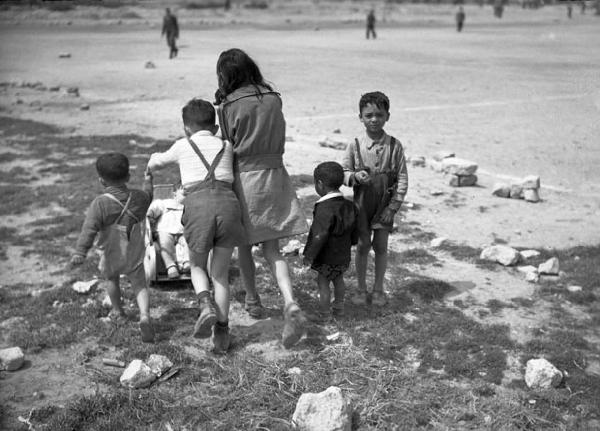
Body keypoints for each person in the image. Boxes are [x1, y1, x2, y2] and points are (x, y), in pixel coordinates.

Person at [214, 48, 308, 349]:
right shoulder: (273, 97)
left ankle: (253, 301)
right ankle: (290, 301)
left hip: (246, 177)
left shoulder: (228, 105)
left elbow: (228, 145)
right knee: (273, 249)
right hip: (276, 174)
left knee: (244, 245)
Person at [147, 98, 246, 354]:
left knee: (197, 266)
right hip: (228, 206)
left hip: (198, 207)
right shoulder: (227, 145)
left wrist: (150, 163)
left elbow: (158, 161)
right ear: (214, 127)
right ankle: (222, 333)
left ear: (186, 128)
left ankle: (204, 304)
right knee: (221, 275)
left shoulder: (183, 145)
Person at [70, 153, 154, 343]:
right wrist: (148, 181)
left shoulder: (100, 204)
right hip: (134, 250)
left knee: (111, 279)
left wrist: (80, 252)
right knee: (139, 283)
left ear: (101, 180)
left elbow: (88, 229)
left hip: (111, 252)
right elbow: (149, 196)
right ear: (128, 177)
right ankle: (144, 315)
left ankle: (118, 311)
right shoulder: (138, 198)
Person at [342, 91, 408, 307]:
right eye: (368, 115)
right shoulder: (354, 145)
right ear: (360, 117)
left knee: (381, 246)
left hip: (384, 206)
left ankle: (378, 289)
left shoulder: (395, 146)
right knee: (362, 246)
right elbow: (343, 171)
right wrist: (353, 177)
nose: (374, 119)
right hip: (362, 205)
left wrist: (394, 206)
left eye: (379, 115)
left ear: (387, 116)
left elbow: (402, 177)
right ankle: (360, 289)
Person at [303, 162, 358, 323]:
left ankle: (325, 315)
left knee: (323, 282)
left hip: (327, 256)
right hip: (343, 255)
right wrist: (350, 243)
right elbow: (355, 232)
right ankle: (339, 309)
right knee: (339, 279)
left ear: (319, 184)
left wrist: (309, 255)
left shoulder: (324, 208)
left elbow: (319, 235)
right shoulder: (350, 205)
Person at [146, 184, 190, 279]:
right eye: (184, 193)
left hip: (183, 232)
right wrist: (150, 214)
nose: (187, 195)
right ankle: (171, 266)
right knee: (164, 244)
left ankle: (187, 262)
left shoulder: (189, 207)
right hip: (165, 230)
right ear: (174, 194)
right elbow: (155, 208)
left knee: (190, 241)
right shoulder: (165, 203)